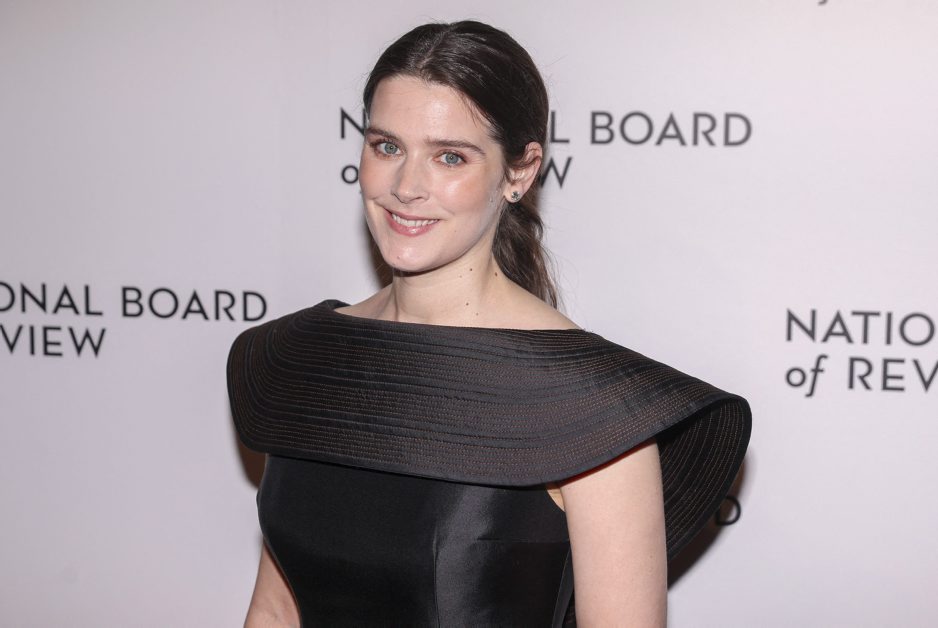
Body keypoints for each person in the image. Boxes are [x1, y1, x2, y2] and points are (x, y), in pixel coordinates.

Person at [228, 20, 751, 627]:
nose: (406, 187)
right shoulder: (308, 360)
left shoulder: (593, 412)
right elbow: (275, 611)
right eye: (387, 147)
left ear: (519, 174)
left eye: (449, 157)